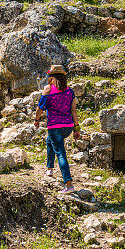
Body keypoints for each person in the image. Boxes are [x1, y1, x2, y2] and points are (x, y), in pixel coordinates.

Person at [34, 64, 80, 193]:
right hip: (68, 126)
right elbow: (74, 111)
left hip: (55, 126)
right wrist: (77, 129)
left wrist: (36, 120)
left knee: (60, 153)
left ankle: (69, 184)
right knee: (50, 140)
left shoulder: (48, 89)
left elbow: (40, 108)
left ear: (50, 77)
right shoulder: (70, 91)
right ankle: (49, 169)